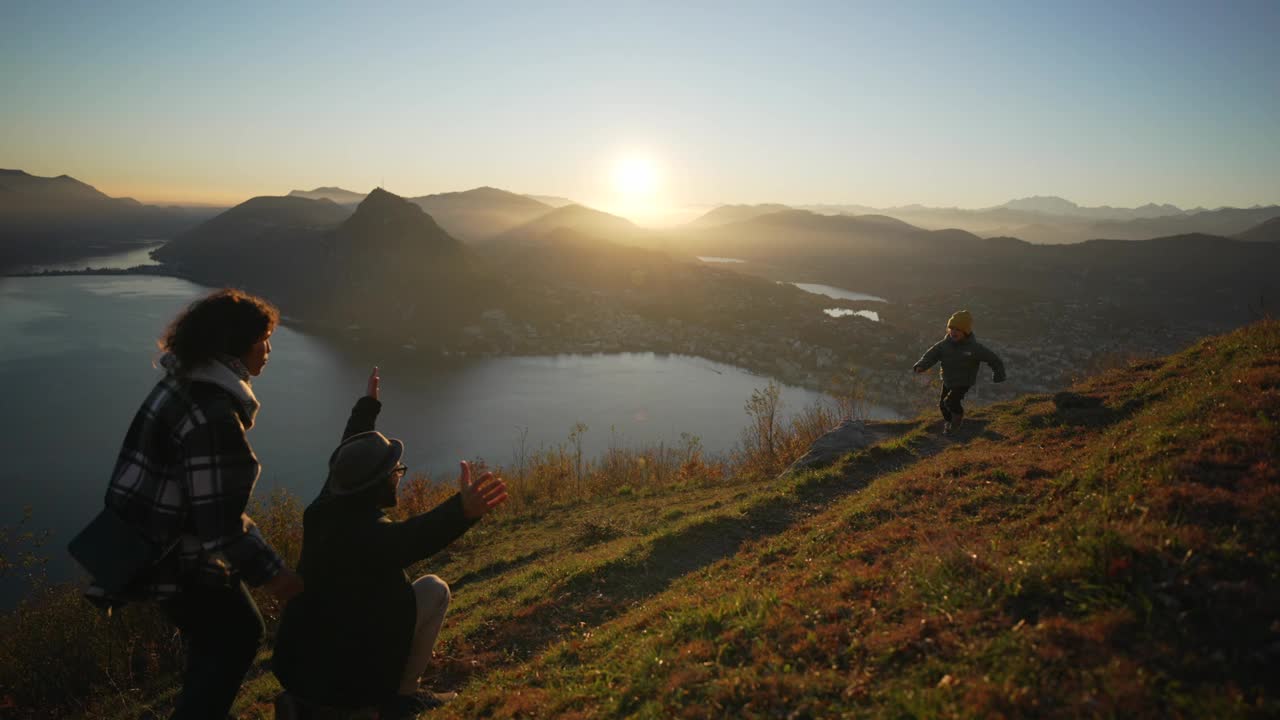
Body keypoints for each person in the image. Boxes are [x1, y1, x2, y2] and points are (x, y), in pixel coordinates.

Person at [92, 288, 303, 719]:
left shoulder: (182, 384)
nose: (268, 350)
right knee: (241, 634)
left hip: (148, 547)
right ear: (236, 345)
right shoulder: (213, 414)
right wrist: (278, 577)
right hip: (177, 558)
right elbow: (221, 523)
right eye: (263, 339)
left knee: (212, 645)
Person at [273, 367, 508, 720]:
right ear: (379, 484)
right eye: (396, 472)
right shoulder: (371, 537)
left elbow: (348, 457)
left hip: (299, 676)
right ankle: (401, 699)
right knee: (434, 589)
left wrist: (366, 409)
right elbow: (420, 535)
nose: (399, 476)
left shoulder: (322, 508)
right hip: (351, 692)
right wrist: (463, 510)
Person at [912, 309, 1006, 432]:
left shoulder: (974, 348)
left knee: (950, 402)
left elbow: (993, 359)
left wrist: (998, 374)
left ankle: (956, 422)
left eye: (958, 330)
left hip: (964, 381)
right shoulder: (944, 345)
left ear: (966, 332)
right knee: (942, 405)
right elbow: (931, 355)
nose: (954, 332)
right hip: (948, 380)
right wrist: (921, 365)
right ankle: (949, 422)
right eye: (952, 329)